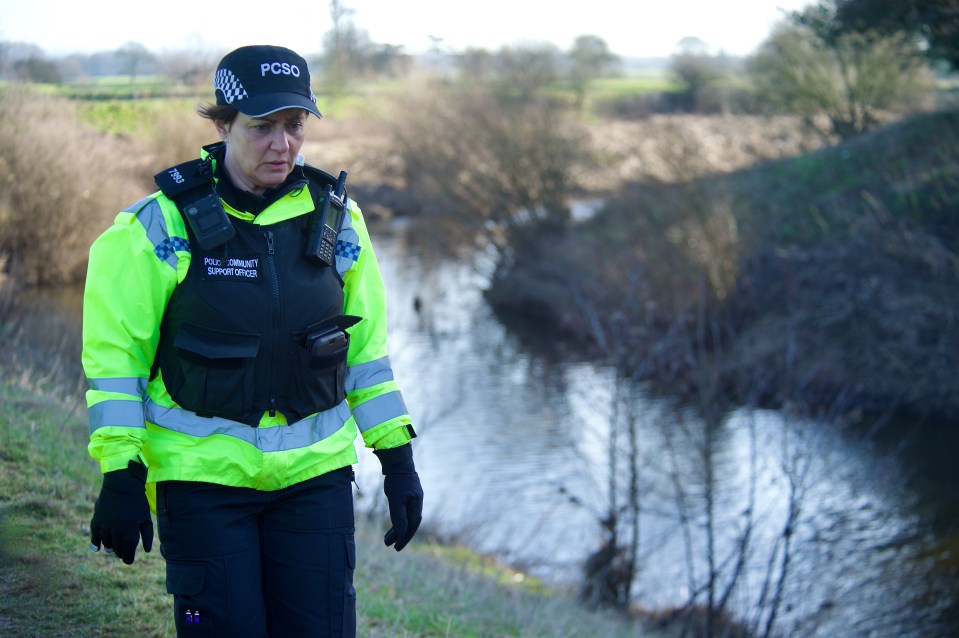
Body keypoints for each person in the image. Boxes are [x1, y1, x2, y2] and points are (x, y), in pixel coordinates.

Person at [82, 44, 423, 638]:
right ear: (222, 124)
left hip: (314, 482)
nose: (282, 144)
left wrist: (397, 460)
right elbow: (117, 364)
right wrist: (120, 471)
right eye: (262, 127)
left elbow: (366, 359)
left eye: (295, 126)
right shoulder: (156, 229)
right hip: (202, 484)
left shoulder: (339, 222)